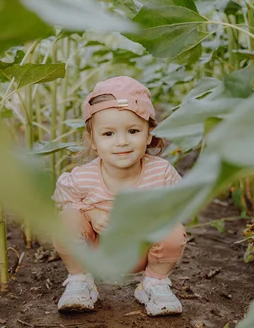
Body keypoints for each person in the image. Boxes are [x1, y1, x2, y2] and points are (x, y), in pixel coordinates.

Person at [51, 76, 187, 316]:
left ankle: (153, 284)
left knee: (173, 229)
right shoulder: (83, 177)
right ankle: (80, 281)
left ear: (148, 135)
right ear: (92, 140)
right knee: (67, 219)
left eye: (133, 131)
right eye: (108, 134)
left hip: (142, 249)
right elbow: (61, 201)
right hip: (97, 250)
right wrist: (90, 213)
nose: (122, 142)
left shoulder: (161, 172)